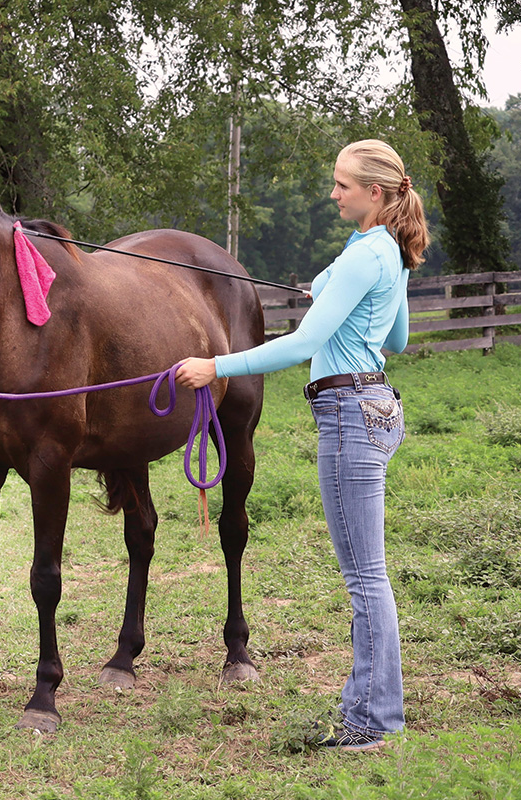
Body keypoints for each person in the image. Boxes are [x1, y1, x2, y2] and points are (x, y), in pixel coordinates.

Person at [176, 139, 430, 752]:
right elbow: (395, 338)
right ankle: (371, 711)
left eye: (343, 184)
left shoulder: (365, 254)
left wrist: (215, 366)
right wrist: (338, 295)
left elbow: (300, 345)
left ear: (375, 192)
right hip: (374, 405)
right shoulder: (387, 249)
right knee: (368, 576)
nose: (334, 193)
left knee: (365, 578)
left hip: (349, 414)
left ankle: (372, 721)